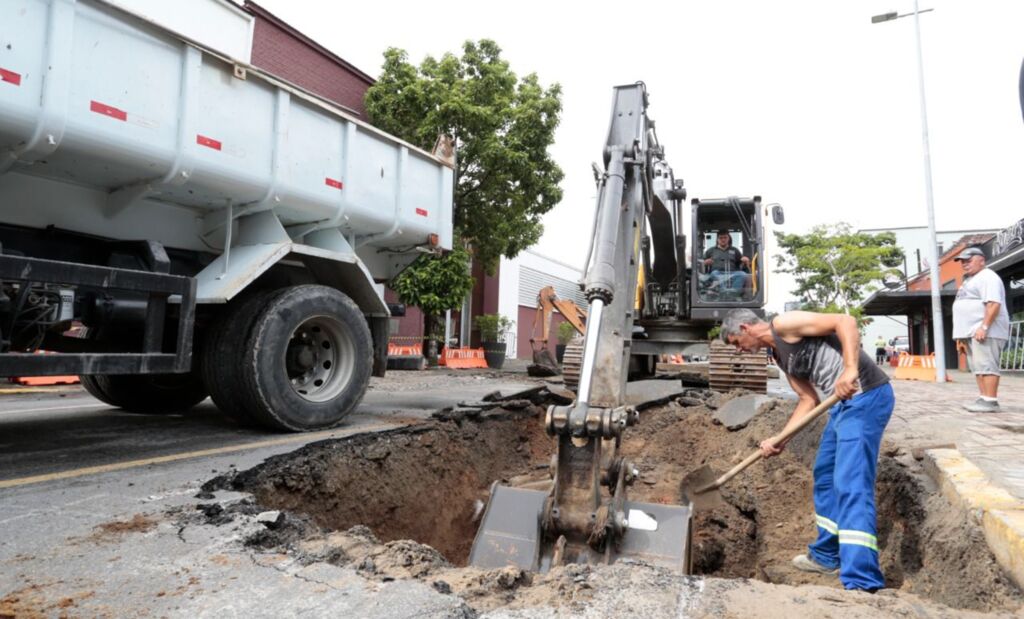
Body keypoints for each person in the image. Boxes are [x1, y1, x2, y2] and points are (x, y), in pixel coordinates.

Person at [720, 308, 894, 592]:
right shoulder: (779, 356)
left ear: (745, 328)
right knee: (825, 476)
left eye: (737, 344)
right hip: (841, 407)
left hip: (865, 396)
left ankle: (862, 579)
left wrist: (850, 369)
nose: (740, 351)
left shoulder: (785, 325)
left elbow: (845, 321)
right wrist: (781, 438)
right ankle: (827, 556)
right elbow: (807, 399)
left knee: (850, 484)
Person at [952, 247, 1009, 413]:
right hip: (972, 332)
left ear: (982, 260)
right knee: (978, 366)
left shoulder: (987, 277)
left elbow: (993, 303)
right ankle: (984, 397)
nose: (964, 264)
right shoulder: (971, 279)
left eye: (968, 260)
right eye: (962, 261)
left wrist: (984, 326)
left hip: (985, 331)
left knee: (987, 365)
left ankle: (991, 400)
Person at [701, 230, 750, 294]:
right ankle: (724, 291)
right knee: (714, 273)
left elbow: (741, 262)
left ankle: (734, 292)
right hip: (718, 273)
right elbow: (701, 262)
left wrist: (745, 260)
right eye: (721, 238)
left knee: (742, 274)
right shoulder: (711, 250)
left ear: (729, 238)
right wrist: (705, 262)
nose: (723, 240)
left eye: (725, 237)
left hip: (732, 273)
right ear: (717, 239)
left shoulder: (735, 250)